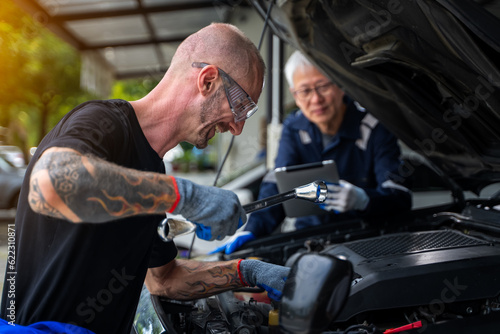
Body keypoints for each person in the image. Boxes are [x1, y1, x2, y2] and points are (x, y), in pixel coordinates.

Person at [0, 23, 289, 334]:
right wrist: (186, 196)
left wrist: (249, 271)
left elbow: (165, 280)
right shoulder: (103, 123)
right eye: (240, 106)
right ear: (207, 80)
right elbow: (52, 183)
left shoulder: (151, 173)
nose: (237, 128)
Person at [212, 50, 412, 255]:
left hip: (366, 242)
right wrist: (252, 230)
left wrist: (365, 200)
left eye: (323, 86)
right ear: (295, 96)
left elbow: (400, 195)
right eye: (305, 91)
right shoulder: (295, 127)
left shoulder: (375, 128)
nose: (316, 99)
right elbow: (276, 185)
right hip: (310, 243)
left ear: (341, 85)